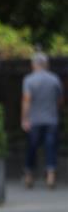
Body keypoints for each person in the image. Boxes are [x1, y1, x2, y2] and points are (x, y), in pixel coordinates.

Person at [21, 52, 64, 188]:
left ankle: (29, 175)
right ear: (46, 64)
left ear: (33, 64)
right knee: (51, 147)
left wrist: (24, 119)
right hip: (51, 119)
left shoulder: (29, 80)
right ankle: (51, 175)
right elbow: (60, 100)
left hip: (34, 120)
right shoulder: (55, 79)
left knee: (32, 147)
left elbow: (26, 100)